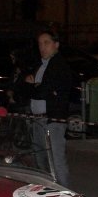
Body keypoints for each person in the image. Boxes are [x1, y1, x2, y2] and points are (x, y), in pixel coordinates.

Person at [25, 30, 73, 186]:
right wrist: (34, 87)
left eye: (46, 43)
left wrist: (34, 87)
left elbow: (42, 91)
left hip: (52, 120)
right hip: (37, 119)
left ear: (56, 44)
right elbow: (26, 88)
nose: (42, 47)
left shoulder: (59, 65)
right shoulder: (40, 65)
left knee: (56, 161)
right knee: (41, 160)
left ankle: (65, 196)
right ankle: (47, 192)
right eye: (40, 44)